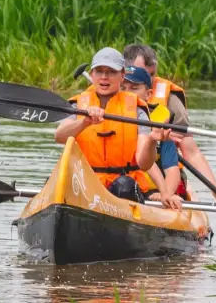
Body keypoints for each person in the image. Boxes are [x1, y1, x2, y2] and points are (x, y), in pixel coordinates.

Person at [55, 47, 183, 210]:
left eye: (111, 72)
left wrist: (151, 140)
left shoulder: (138, 111)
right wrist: (84, 122)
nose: (104, 77)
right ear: (92, 75)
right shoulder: (77, 106)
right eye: (99, 71)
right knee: (59, 180)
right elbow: (59, 136)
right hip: (86, 182)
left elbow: (144, 164)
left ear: (122, 75)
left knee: (124, 186)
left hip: (123, 186)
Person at [122, 43, 216, 193]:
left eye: (152, 75)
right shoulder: (108, 93)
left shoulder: (170, 101)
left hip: (160, 175)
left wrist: (215, 188)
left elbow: (191, 152)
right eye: (145, 73)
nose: (149, 80)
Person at [123, 65, 187, 203]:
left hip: (149, 193)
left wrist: (166, 194)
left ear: (148, 94)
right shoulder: (103, 118)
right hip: (117, 186)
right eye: (123, 88)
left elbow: (171, 169)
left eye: (134, 88)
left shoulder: (159, 126)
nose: (127, 93)